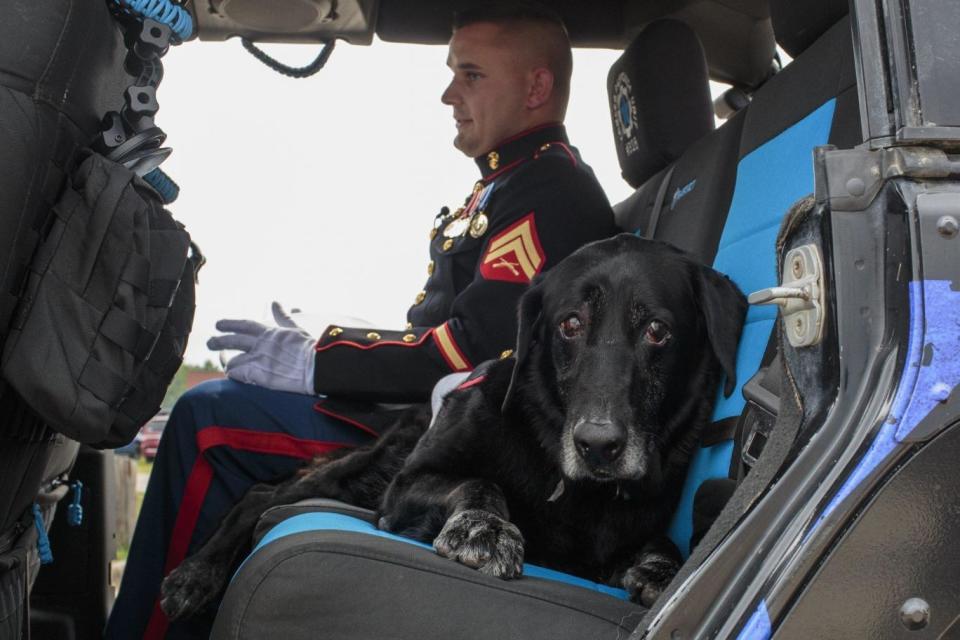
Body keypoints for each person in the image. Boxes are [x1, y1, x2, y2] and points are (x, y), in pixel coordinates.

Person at [106, 4, 617, 638]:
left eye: (472, 75)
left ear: (536, 88)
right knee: (221, 403)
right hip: (422, 411)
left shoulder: (550, 193)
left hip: (451, 436)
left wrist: (320, 359)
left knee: (205, 421)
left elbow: (468, 352)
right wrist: (323, 342)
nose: (448, 94)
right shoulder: (513, 182)